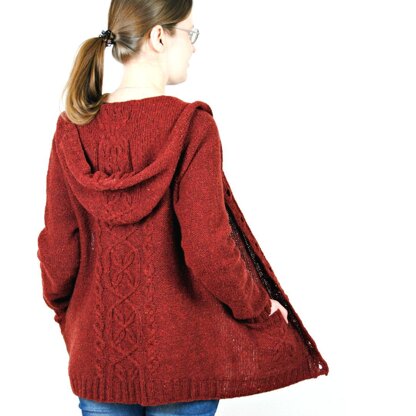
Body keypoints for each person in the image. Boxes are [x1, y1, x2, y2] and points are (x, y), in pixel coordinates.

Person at [37, 1, 329, 415]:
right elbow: (209, 248)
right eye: (189, 34)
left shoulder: (73, 128)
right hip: (185, 360)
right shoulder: (191, 127)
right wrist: (258, 306)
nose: (193, 47)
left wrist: (72, 315)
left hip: (96, 357)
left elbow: (57, 250)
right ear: (159, 37)